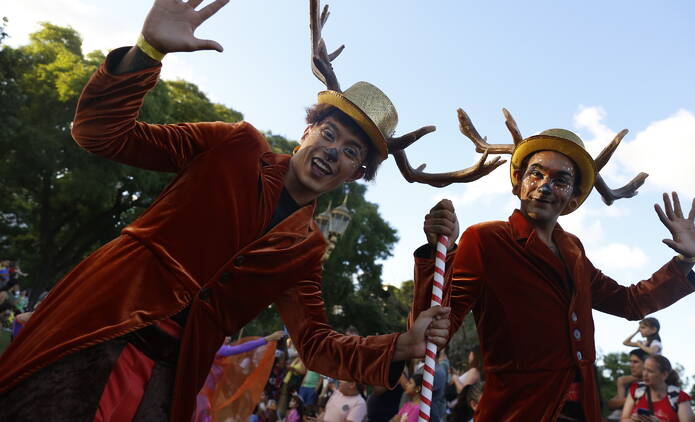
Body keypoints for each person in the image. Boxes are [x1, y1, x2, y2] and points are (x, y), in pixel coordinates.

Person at [0, 1, 451, 421]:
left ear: (355, 174)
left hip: (164, 379)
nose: (334, 152)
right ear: (306, 131)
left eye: (352, 152)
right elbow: (101, 134)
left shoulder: (307, 249)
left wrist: (398, 346)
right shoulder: (235, 144)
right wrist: (148, 50)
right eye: (329, 134)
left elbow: (316, 345)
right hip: (93, 327)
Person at [413, 125, 695, 421]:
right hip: (518, 409)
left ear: (574, 199)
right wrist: (440, 254)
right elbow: (432, 330)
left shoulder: (574, 250)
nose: (545, 186)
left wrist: (685, 259)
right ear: (517, 183)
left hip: (583, 410)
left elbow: (629, 302)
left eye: (561, 180)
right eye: (535, 174)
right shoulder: (485, 239)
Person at [620, 355, 694, 422]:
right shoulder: (637, 389)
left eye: (650, 371)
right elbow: (624, 419)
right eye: (644, 369)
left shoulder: (679, 397)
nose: (645, 374)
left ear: (664, 375)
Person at [608, 349, 650, 421]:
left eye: (635, 362)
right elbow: (611, 404)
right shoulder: (630, 384)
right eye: (630, 362)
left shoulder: (653, 385)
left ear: (646, 364)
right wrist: (633, 399)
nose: (631, 365)